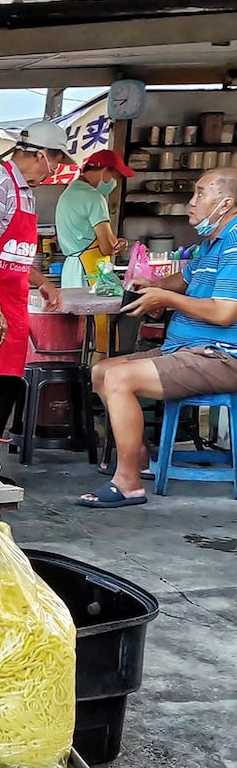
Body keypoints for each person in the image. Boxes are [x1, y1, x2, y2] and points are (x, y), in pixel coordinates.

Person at [79, 166, 237, 510]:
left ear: (224, 203)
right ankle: (140, 458)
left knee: (120, 378)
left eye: (199, 193)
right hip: (187, 351)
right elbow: (184, 279)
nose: (191, 202)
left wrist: (164, 300)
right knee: (102, 371)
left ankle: (128, 483)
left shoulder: (236, 243)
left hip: (221, 356)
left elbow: (225, 312)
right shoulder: (212, 243)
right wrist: (152, 287)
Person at [0, 121, 68, 439]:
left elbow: (15, 253)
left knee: (4, 396)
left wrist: (42, 281)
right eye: (56, 163)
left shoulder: (27, 194)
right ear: (41, 155)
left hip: (14, 311)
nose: (53, 173)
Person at [55, 148, 134, 288]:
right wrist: (117, 245)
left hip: (70, 271)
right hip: (88, 271)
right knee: (94, 309)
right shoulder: (94, 197)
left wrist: (113, 243)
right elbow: (106, 248)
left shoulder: (68, 193)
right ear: (105, 171)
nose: (115, 183)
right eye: (115, 177)